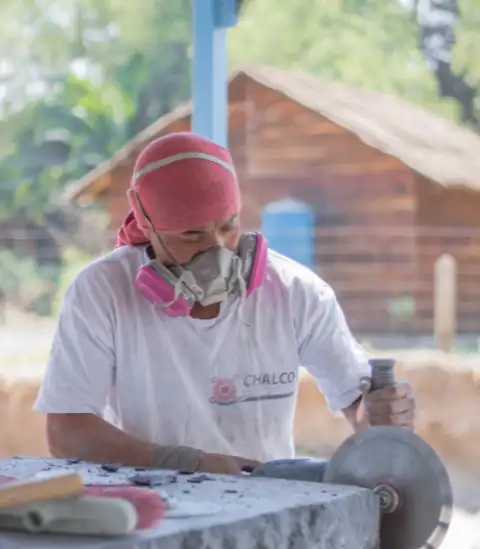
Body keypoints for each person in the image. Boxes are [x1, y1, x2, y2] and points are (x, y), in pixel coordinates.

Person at [35, 132, 414, 475]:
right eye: (190, 235)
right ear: (146, 223)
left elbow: (359, 409)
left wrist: (380, 413)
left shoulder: (296, 292)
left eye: (227, 227)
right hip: (153, 507)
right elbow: (67, 432)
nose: (214, 250)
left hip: (268, 508)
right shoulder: (102, 292)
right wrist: (185, 462)